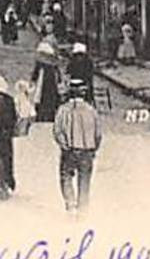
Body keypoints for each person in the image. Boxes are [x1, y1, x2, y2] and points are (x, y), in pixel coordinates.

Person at [53, 77, 102, 213]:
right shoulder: (91, 110)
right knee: (85, 180)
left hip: (69, 151)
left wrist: (64, 145)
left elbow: (57, 131)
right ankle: (83, 208)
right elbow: (98, 133)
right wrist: (93, 148)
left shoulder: (63, 110)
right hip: (87, 151)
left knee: (66, 176)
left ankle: (70, 204)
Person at [31, 41, 62, 123]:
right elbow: (59, 79)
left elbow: (35, 77)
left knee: (43, 101)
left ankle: (42, 117)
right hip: (49, 90)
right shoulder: (53, 67)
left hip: (44, 89)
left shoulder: (42, 66)